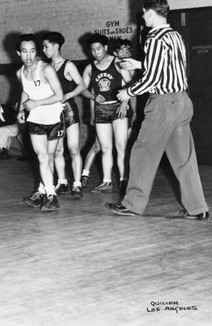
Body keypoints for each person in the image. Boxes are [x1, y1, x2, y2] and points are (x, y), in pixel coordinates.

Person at [107, 0, 209, 220]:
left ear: (151, 12)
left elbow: (153, 77)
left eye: (144, 14)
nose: (143, 17)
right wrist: (137, 64)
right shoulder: (175, 36)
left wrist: (129, 91)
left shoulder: (153, 37)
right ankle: (197, 208)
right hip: (182, 101)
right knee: (184, 158)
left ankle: (132, 204)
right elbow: (168, 66)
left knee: (143, 152)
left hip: (163, 103)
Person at [16, 34, 65, 211]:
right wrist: (21, 109)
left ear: (37, 52)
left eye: (32, 51)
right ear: (18, 53)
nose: (28, 56)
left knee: (48, 158)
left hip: (54, 119)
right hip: (36, 120)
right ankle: (51, 196)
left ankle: (41, 191)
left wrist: (36, 103)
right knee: (42, 157)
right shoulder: (20, 73)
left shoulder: (46, 69)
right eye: (24, 51)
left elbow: (59, 96)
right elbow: (25, 92)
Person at [82, 33, 133, 194]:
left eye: (99, 48)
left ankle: (124, 181)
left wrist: (125, 103)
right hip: (101, 110)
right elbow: (82, 88)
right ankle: (107, 182)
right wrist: (92, 96)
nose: (96, 52)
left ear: (105, 47)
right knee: (105, 148)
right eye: (93, 50)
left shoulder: (117, 62)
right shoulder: (90, 68)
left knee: (121, 146)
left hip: (118, 107)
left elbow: (131, 83)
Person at [42, 32, 86, 199]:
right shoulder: (46, 68)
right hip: (53, 110)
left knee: (73, 148)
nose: (44, 50)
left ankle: (77, 185)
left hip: (68, 109)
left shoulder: (68, 65)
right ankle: (62, 182)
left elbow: (81, 85)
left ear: (56, 46)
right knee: (57, 150)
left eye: (46, 46)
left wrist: (67, 96)